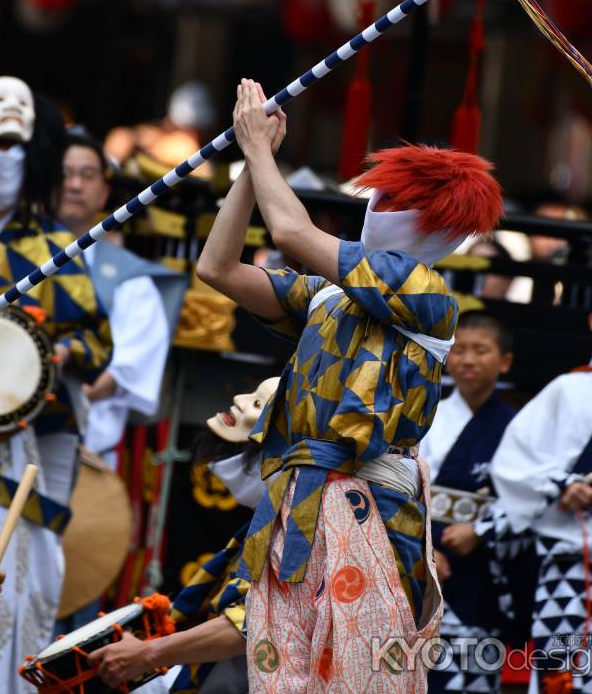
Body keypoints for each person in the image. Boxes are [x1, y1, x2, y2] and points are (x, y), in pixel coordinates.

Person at [195, 78, 504, 692]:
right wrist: (246, 166)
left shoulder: (426, 292)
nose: (377, 206)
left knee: (356, 675)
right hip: (301, 496)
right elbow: (218, 268)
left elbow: (292, 236)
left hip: (371, 506)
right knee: (285, 671)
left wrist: (260, 150)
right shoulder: (330, 297)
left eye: (392, 199)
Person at [0, 76, 111, 693]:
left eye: (17, 140)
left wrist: (45, 354)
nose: (2, 155)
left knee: (18, 585)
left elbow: (99, 344)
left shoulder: (57, 248)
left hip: (26, 444)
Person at [88, 376, 281, 693]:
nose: (239, 399)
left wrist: (149, 653)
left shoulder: (303, 518)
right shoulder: (274, 512)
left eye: (258, 404)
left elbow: (252, 622)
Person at [491, 271, 592, 693]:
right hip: (570, 556)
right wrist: (558, 485)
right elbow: (512, 463)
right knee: (562, 677)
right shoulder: (569, 389)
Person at [57, 133, 187, 466]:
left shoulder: (131, 279)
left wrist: (59, 402)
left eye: (86, 175)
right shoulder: (7, 258)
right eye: (64, 174)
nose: (73, 185)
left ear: (103, 190)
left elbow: (128, 367)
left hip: (84, 452)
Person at [420, 312, 516, 694]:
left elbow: (526, 498)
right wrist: (422, 550)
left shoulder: (517, 426)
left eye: (481, 350)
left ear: (504, 361)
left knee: (472, 673)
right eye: (459, 350)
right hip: (422, 559)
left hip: (479, 567)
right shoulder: (428, 414)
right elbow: (404, 487)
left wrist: (481, 530)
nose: (469, 360)